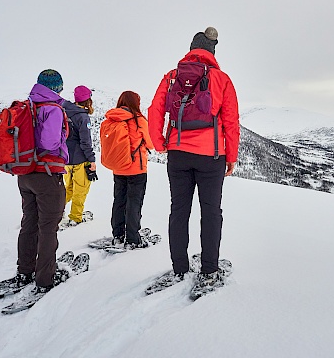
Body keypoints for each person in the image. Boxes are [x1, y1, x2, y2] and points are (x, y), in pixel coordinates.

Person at [148, 27, 240, 291]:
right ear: (211, 52)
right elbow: (230, 121)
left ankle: (180, 268)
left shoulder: (172, 76)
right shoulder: (221, 79)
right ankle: (210, 269)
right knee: (211, 212)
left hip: (178, 154)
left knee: (179, 210)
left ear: (190, 50)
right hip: (211, 157)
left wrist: (159, 142)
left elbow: (155, 109)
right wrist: (230, 156)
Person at [17, 69, 69, 295]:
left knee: (29, 222)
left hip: (25, 173)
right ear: (57, 88)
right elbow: (49, 142)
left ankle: (25, 270)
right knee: (48, 227)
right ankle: (45, 278)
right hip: (47, 174)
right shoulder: (52, 109)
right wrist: (62, 138)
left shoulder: (27, 107)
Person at [103, 91, 154, 248]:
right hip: (136, 169)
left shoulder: (111, 119)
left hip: (118, 168)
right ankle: (132, 238)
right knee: (134, 202)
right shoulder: (139, 120)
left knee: (119, 201)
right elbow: (151, 143)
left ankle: (118, 235)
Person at [61, 85, 97, 227]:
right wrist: (91, 160)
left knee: (68, 188)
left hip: (66, 158)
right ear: (88, 100)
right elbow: (85, 142)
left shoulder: (65, 111)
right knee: (80, 189)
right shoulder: (82, 117)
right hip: (80, 159)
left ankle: (56, 211)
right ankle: (75, 217)